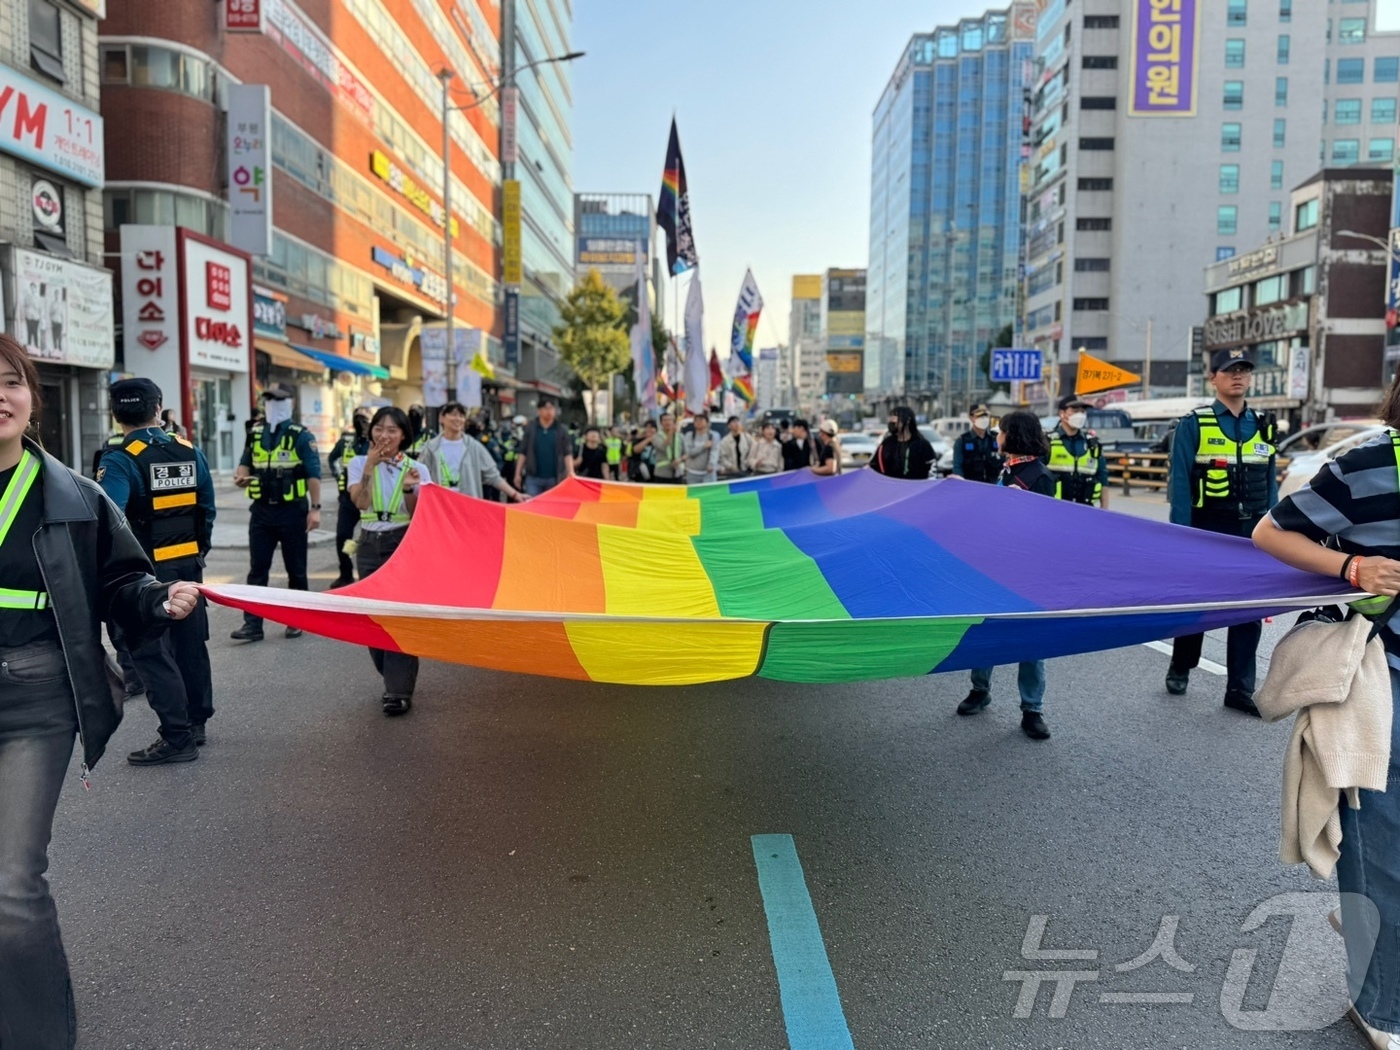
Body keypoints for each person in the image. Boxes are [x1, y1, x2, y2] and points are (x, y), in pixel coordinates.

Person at [0, 333, 200, 1047]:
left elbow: (121, 580)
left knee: (12, 885)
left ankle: (37, 1035)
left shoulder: (77, 495)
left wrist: (157, 598)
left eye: (11, 380)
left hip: (36, 697)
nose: (1, 394)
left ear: (32, 399)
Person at [1252, 370, 1400, 1046]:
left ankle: (1363, 905)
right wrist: (1353, 571)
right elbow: (1271, 532)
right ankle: (1380, 1004)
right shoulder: (1368, 463)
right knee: (1382, 845)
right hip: (1384, 680)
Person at [97, 378, 217, 762]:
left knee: (150, 652)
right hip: (188, 563)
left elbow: (110, 519)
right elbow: (207, 508)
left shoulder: (119, 458)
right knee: (190, 645)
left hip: (145, 574)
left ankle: (177, 736)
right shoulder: (189, 450)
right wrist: (197, 553)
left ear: (115, 413)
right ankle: (196, 723)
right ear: (158, 407)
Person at [1164, 348, 1277, 715]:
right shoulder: (1193, 423)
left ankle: (1240, 689)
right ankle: (1182, 664)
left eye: (1244, 370)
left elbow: (1270, 482)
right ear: (1213, 377)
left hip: (1252, 532)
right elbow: (1179, 483)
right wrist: (1181, 539)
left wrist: (1275, 530)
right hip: (1207, 528)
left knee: (1248, 609)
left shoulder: (1262, 423)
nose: (1238, 376)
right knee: (1199, 605)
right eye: (1230, 371)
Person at [958, 410, 1055, 741]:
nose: (996, 436)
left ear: (1014, 435)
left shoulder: (1039, 476)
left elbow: (1043, 529)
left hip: (1028, 573)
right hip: (995, 567)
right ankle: (979, 690)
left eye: (1001, 431)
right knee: (986, 631)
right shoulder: (1009, 469)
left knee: (1030, 641)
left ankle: (1032, 709)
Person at [348, 407, 428, 715]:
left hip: (403, 540)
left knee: (398, 615)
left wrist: (410, 486)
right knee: (372, 615)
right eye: (379, 428)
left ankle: (397, 691)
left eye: (393, 430)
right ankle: (397, 675)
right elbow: (361, 502)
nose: (385, 435)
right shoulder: (357, 463)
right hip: (368, 543)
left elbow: (418, 512)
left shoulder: (417, 468)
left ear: (404, 435)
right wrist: (370, 465)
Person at [230, 383, 321, 642]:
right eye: (268, 401)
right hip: (261, 513)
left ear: (290, 403)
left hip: (292, 512)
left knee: (296, 569)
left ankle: (296, 620)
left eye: (278, 401)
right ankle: (252, 625)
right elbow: (245, 464)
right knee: (257, 570)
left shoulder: (301, 435)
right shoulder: (256, 433)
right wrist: (241, 477)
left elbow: (314, 475)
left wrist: (315, 509)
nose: (273, 406)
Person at [418, 402, 524, 500]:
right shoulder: (431, 447)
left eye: (461, 416)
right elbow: (419, 476)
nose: (458, 419)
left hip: (467, 505)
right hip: (440, 505)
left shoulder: (473, 447)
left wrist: (515, 495)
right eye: (454, 414)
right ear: (441, 418)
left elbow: (493, 476)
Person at [327, 408, 371, 588]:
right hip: (348, 497)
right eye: (358, 419)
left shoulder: (376, 441)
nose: (361, 423)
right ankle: (345, 573)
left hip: (370, 496)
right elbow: (332, 459)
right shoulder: (346, 442)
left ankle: (369, 575)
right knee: (343, 536)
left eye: (365, 420)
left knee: (370, 537)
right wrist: (339, 476)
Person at [1047, 395, 1110, 508]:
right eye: (1075, 411)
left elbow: (1103, 478)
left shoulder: (1092, 444)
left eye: (1082, 411)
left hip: (1086, 509)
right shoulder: (1049, 442)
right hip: (1055, 508)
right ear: (1062, 413)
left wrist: (1105, 510)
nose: (1080, 415)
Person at [514, 397, 573, 497]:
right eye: (546, 408)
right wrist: (517, 473)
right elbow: (523, 452)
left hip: (554, 477)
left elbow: (567, 452)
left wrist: (570, 471)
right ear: (539, 411)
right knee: (532, 505)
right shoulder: (531, 428)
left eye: (551, 408)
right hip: (533, 477)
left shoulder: (561, 430)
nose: (549, 411)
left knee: (551, 508)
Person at [869, 406, 936, 480]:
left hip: (917, 488)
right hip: (891, 488)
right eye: (891, 417)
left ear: (908, 420)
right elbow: (874, 465)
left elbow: (931, 468)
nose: (892, 420)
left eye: (895, 417)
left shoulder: (922, 444)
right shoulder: (886, 444)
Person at [953, 403, 1001, 483]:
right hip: (971, 488)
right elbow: (957, 467)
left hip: (993, 487)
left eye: (986, 415)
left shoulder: (996, 438)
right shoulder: (962, 441)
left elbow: (1005, 462)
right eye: (979, 416)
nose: (984, 419)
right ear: (971, 418)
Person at [683, 413, 720, 484]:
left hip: (708, 474)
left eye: (701, 420)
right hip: (692, 473)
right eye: (696, 420)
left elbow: (715, 451)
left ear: (707, 423)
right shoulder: (689, 435)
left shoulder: (714, 435)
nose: (698, 422)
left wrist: (711, 465)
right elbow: (689, 453)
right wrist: (703, 446)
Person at [650, 413, 686, 483]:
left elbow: (686, 454)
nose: (668, 422)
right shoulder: (656, 436)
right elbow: (663, 447)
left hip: (678, 473)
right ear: (661, 423)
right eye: (665, 420)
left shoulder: (680, 436)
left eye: (670, 420)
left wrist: (680, 460)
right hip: (662, 473)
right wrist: (670, 433)